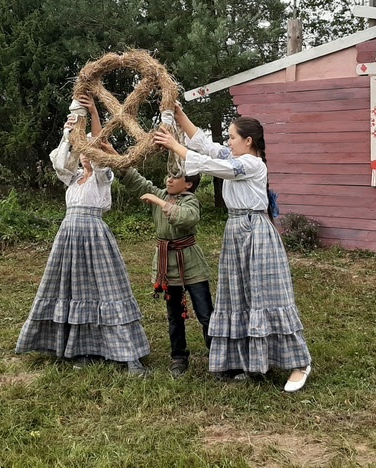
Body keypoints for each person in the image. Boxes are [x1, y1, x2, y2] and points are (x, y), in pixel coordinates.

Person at [154, 104, 312, 392]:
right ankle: (249, 360)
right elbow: (206, 146)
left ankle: (299, 362)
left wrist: (176, 146)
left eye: (232, 137)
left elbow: (217, 166)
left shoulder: (252, 164)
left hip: (255, 231)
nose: (228, 142)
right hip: (236, 230)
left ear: (248, 141)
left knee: (267, 295)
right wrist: (178, 114)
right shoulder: (236, 156)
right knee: (238, 296)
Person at [15, 95, 149, 375]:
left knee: (105, 289)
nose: (86, 154)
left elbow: (100, 143)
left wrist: (94, 111)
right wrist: (71, 129)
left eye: (90, 150)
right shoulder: (73, 177)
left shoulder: (103, 177)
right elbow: (61, 160)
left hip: (94, 235)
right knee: (74, 289)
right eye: (83, 150)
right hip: (69, 236)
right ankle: (80, 348)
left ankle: (125, 353)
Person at [109, 152, 214, 377]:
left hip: (192, 264)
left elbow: (187, 218)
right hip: (167, 268)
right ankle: (178, 357)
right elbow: (136, 180)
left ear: (188, 184)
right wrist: (114, 156)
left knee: (205, 313)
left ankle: (218, 354)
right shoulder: (162, 193)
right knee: (174, 315)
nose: (169, 179)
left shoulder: (190, 200)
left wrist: (159, 201)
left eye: (175, 177)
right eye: (169, 175)